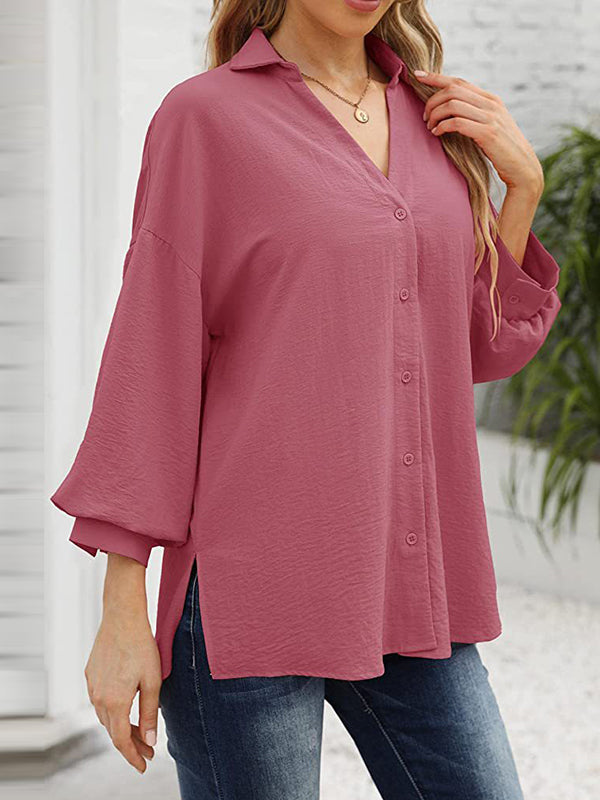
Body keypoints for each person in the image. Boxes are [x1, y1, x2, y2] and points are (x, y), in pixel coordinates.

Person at [50, 1, 562, 797]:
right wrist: (123, 609)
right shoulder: (205, 119)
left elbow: (471, 346)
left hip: (409, 586)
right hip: (250, 594)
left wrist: (520, 190)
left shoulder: (436, 119)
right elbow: (152, 357)